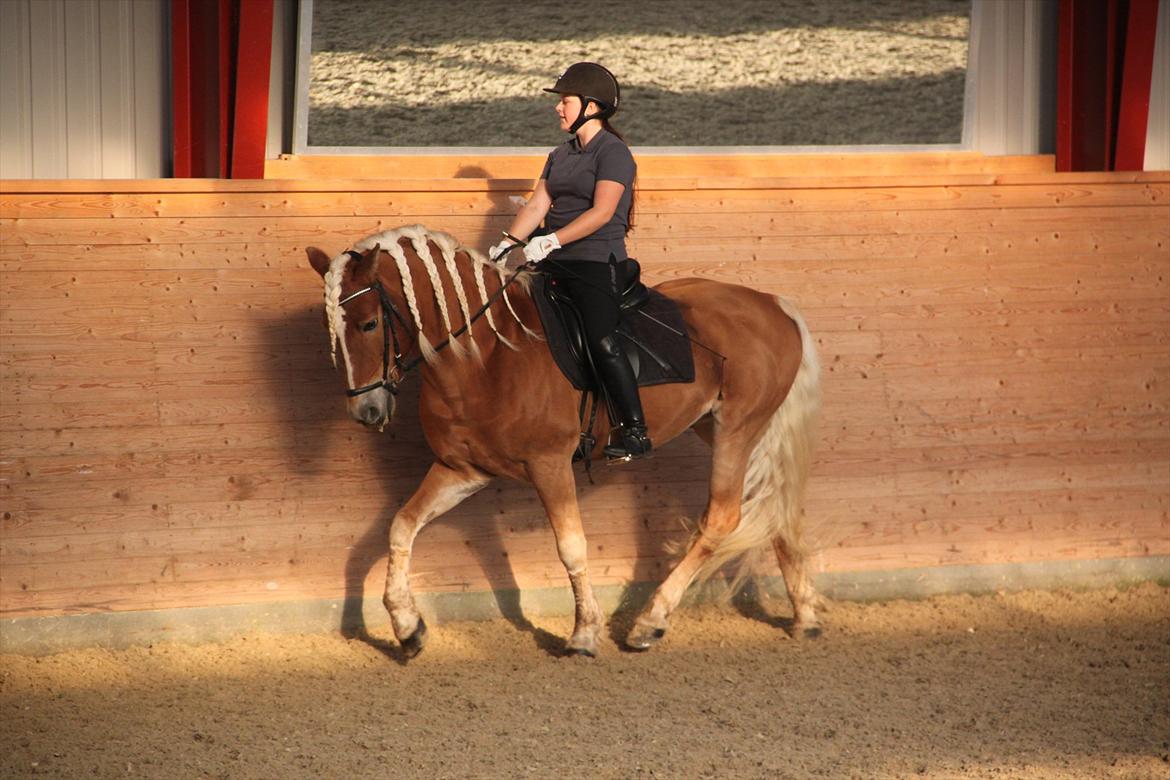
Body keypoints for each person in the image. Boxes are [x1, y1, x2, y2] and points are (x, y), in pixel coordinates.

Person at [491, 62, 651, 461]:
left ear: (592, 107)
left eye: (565, 101)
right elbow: (539, 203)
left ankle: (634, 430)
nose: (558, 109)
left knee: (600, 338)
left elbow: (602, 212)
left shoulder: (614, 154)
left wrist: (551, 241)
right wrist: (509, 241)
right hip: (555, 262)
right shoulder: (559, 155)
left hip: (596, 261)